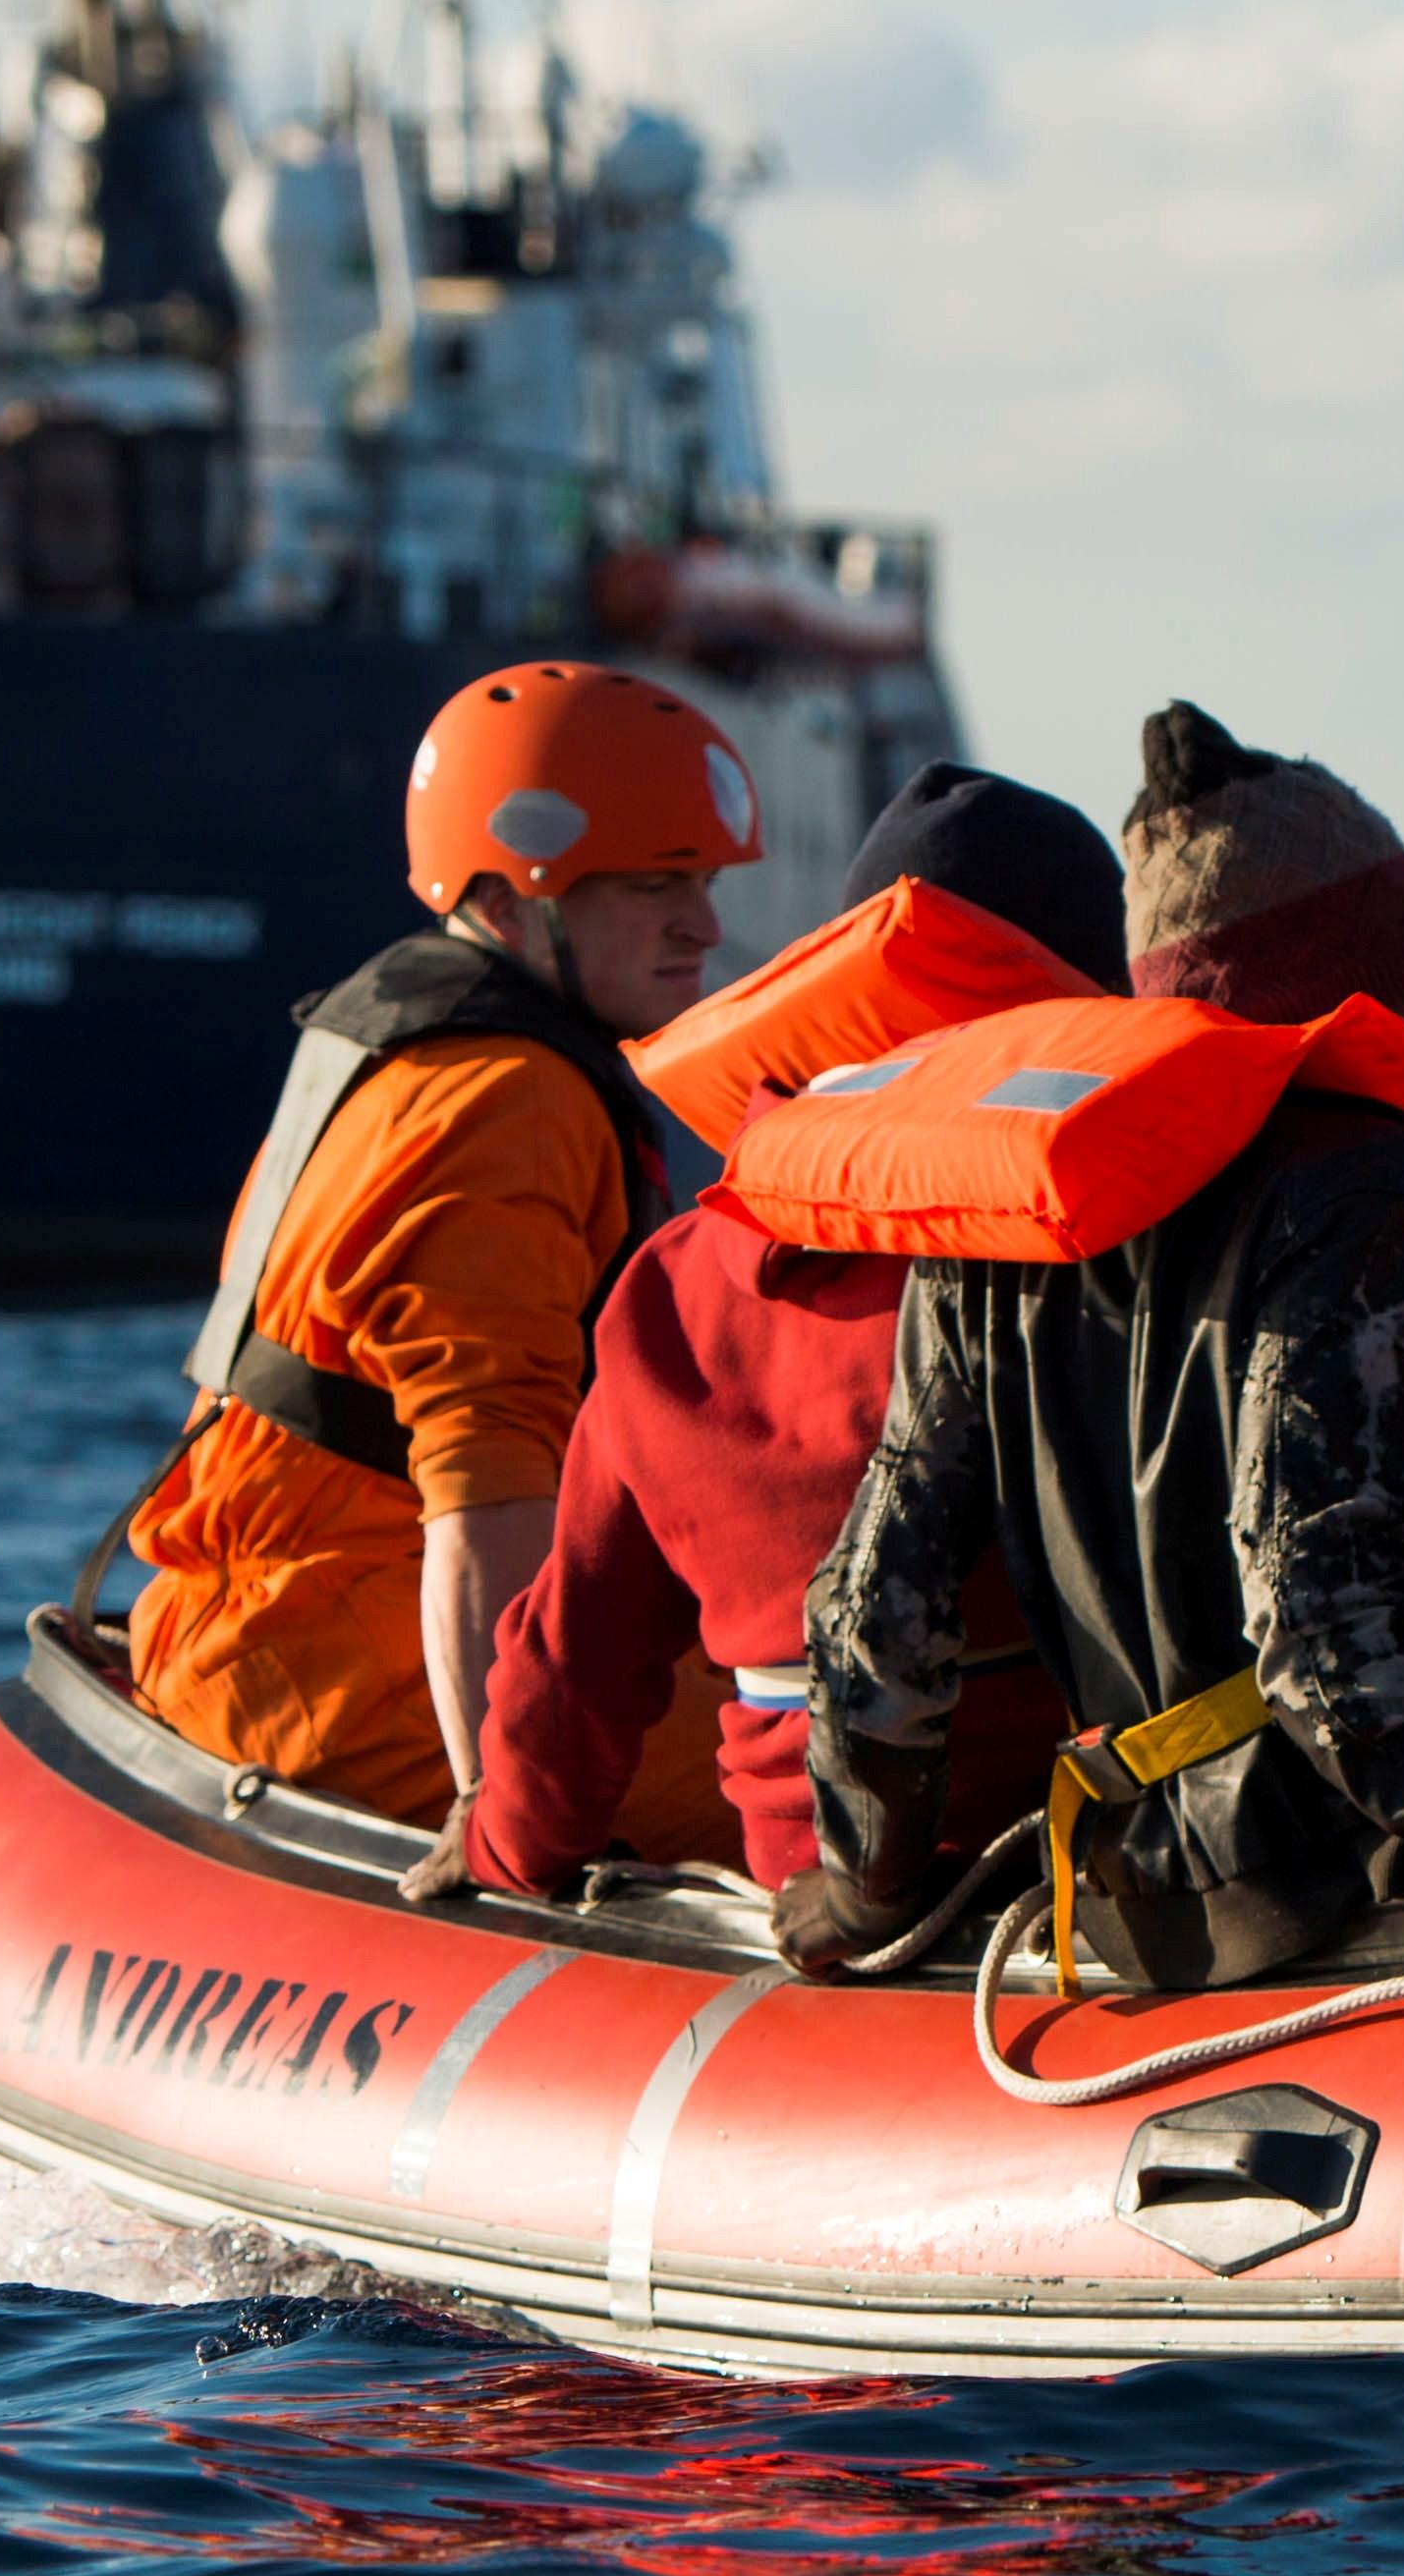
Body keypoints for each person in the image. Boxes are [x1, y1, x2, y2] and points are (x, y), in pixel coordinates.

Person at [773, 707, 1404, 2003]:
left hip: (1133, 1897)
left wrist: (864, 1883)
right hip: (1363, 1893)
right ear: (1349, 972)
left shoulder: (1000, 1218)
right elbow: (1315, 1617)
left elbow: (869, 1613)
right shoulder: (1362, 1186)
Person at [458, 765, 1126, 1899]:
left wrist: (503, 1855)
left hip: (810, 1896)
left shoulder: (670, 1289)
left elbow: (571, 1670)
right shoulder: (1121, 1244)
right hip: (1111, 1885)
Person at [116, 661, 751, 1848]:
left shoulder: (406, 1048)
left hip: (256, 1623)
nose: (703, 927)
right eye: (653, 887)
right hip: (349, 1682)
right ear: (513, 899)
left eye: (703, 883)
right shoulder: (505, 1102)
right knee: (844, 1783)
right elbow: (482, 1499)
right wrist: (501, 1811)